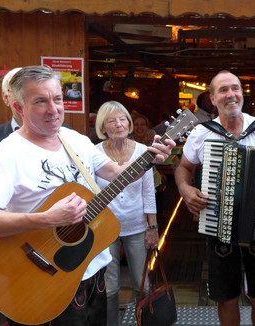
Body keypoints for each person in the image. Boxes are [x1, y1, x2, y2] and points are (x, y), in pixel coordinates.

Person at [0, 65, 174, 326]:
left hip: (91, 273)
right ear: (19, 108)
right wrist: (47, 218)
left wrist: (150, 157)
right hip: (42, 280)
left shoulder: (76, 140)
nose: (53, 109)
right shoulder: (6, 155)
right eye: (40, 101)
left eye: (58, 98)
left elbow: (117, 172)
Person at [175, 70, 255, 326]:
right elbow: (183, 168)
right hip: (217, 225)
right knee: (225, 297)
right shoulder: (202, 133)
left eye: (235, 88)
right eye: (223, 90)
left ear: (242, 93)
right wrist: (185, 190)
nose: (231, 94)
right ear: (212, 98)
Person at [94, 101, 159, 326]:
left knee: (143, 284)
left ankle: (146, 322)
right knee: (110, 285)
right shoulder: (94, 154)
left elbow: (149, 192)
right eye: (112, 120)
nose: (119, 124)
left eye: (123, 119)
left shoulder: (142, 152)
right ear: (103, 127)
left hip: (136, 226)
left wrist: (153, 227)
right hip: (105, 229)